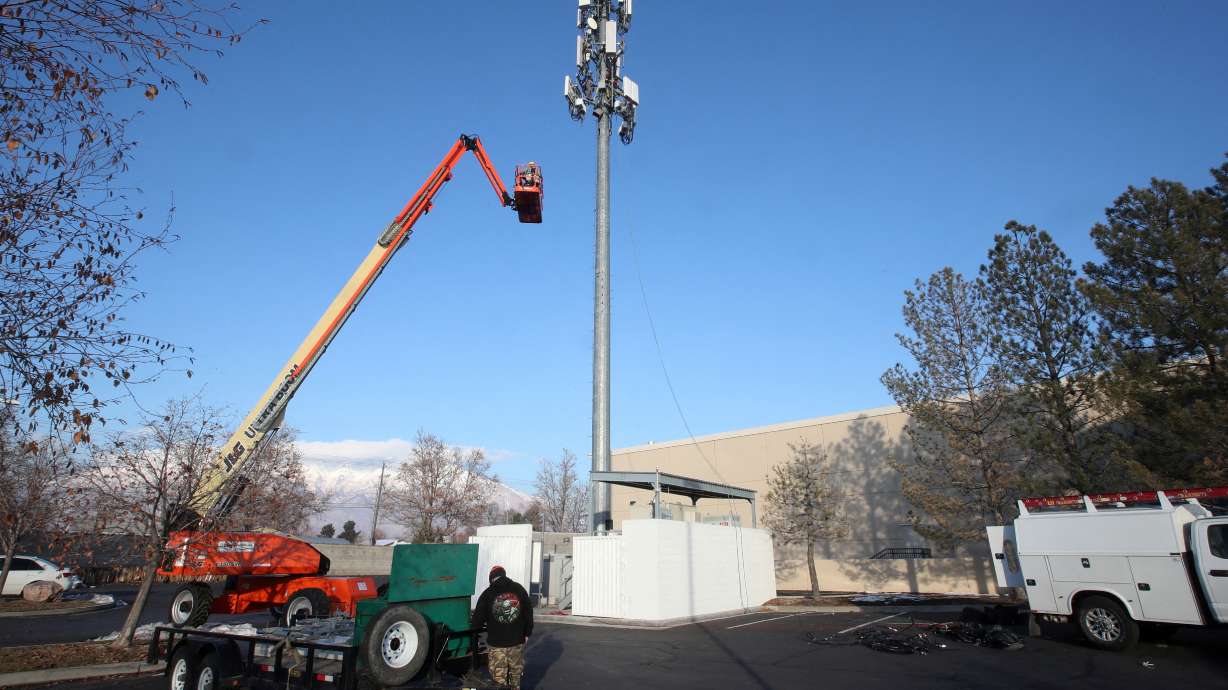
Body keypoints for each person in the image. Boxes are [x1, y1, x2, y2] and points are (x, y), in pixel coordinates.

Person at [471, 565, 533, 688]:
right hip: (516, 641)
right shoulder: (519, 589)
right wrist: (527, 633)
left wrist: (476, 631)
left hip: (496, 644)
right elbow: (528, 612)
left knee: (498, 680)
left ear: (492, 578)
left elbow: (477, 621)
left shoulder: (488, 593)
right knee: (515, 677)